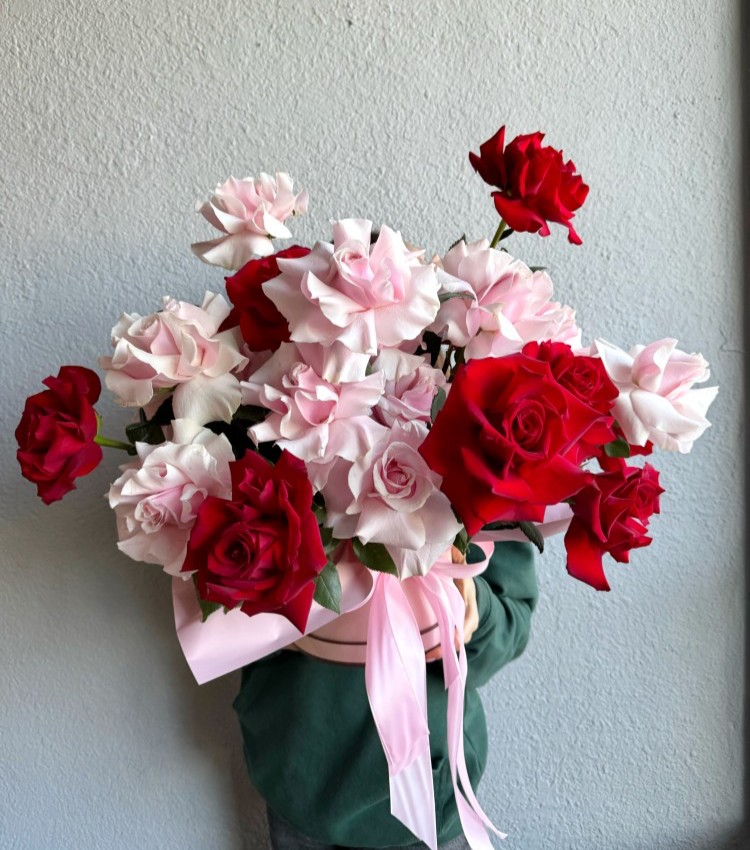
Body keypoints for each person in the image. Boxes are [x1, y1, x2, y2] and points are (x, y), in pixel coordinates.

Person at [234, 540, 538, 850]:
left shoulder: (487, 500)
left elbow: (511, 621)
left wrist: (471, 607)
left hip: (427, 796)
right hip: (296, 776)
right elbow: (222, 599)